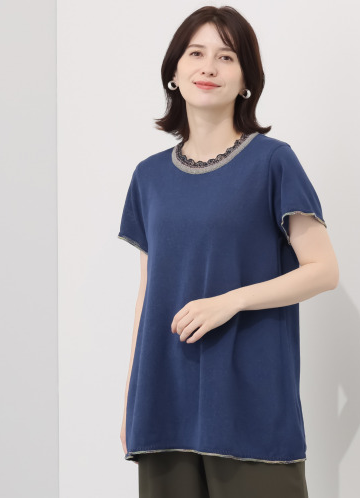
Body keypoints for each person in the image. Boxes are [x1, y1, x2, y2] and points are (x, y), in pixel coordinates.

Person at [117, 5, 339, 498]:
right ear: (174, 72)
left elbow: (324, 270)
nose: (209, 67)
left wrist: (230, 301)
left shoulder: (273, 162)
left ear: (246, 81)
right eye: (196, 54)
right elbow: (148, 294)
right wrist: (133, 397)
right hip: (164, 400)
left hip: (250, 403)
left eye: (226, 57)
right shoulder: (148, 177)